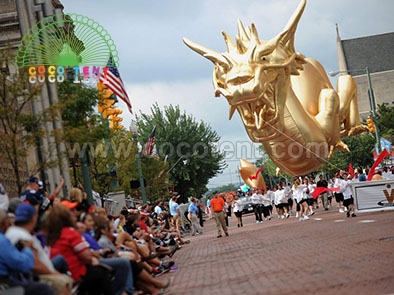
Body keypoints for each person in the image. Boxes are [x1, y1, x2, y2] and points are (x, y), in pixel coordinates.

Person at [45, 204, 114, 295]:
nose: (74, 213)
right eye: (71, 211)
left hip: (61, 273)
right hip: (76, 273)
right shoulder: (70, 233)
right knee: (103, 272)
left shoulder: (50, 234)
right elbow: (87, 257)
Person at [6, 203, 74, 295]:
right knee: (63, 282)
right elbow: (35, 264)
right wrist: (55, 274)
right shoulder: (24, 237)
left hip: (31, 273)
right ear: (34, 218)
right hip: (36, 275)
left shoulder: (12, 232)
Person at [0, 209, 55, 294]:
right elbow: (25, 265)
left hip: (8, 279)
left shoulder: (7, 235)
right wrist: (27, 249)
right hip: (5, 284)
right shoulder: (3, 240)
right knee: (45, 289)